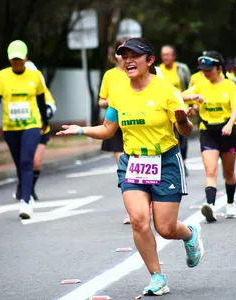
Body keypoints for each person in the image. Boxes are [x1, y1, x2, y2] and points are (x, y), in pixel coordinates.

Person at [56, 37, 204, 296]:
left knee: (166, 228)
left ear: (150, 61)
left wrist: (182, 122)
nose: (128, 60)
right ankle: (157, 276)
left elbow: (186, 130)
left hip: (166, 160)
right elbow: (107, 129)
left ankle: (189, 234)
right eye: (124, 56)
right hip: (133, 163)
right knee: (138, 221)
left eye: (134, 56)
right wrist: (80, 130)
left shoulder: (167, 91)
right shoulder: (118, 92)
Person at [0, 40, 48, 219]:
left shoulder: (35, 76)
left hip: (32, 125)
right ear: (9, 59)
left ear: (25, 58)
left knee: (26, 161)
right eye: (13, 59)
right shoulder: (2, 76)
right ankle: (25, 191)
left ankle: (25, 201)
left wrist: (44, 121)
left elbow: (41, 101)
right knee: (19, 164)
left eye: (20, 59)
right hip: (10, 127)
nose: (17, 62)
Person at [182, 51, 236, 222]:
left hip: (227, 131)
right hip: (208, 132)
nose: (206, 73)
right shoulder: (200, 84)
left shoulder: (230, 85)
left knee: (228, 172)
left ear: (219, 68)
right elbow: (178, 96)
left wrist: (230, 124)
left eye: (209, 69)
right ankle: (211, 206)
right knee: (210, 170)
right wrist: (192, 96)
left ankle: (230, 203)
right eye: (203, 70)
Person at [12, 60, 57, 201]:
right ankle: (23, 186)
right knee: (24, 161)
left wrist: (46, 112)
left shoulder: (40, 87)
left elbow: (51, 105)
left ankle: (29, 189)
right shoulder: (16, 87)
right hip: (21, 130)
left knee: (36, 162)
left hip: (41, 129)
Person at [98, 37, 131, 224]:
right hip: (116, 127)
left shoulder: (138, 72)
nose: (125, 58)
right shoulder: (110, 75)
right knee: (124, 169)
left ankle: (149, 202)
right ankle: (132, 210)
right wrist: (107, 102)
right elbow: (101, 100)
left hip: (138, 126)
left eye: (129, 53)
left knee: (142, 167)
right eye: (121, 53)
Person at [159, 45, 191, 175]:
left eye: (168, 54)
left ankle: (183, 162)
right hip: (164, 109)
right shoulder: (158, 71)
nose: (166, 57)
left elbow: (189, 87)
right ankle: (169, 162)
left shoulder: (182, 69)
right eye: (163, 55)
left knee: (182, 135)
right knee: (168, 135)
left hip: (181, 106)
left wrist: (191, 105)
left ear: (174, 56)